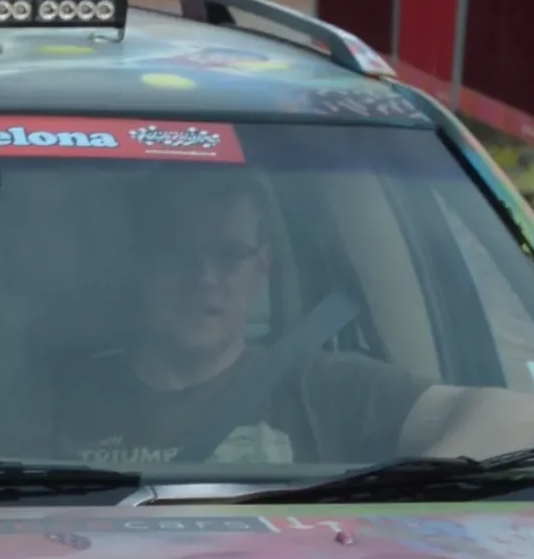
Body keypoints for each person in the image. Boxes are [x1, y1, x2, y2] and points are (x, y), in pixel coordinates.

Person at [50, 169, 424, 476]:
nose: (205, 278)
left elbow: (477, 412)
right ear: (143, 266)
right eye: (179, 254)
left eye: (230, 255)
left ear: (262, 267)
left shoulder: (325, 388)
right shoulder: (57, 398)